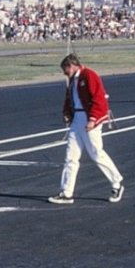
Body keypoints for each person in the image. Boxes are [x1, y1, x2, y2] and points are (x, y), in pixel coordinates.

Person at [49, 53, 124, 205]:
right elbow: (69, 99)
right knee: (71, 156)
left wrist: (93, 119)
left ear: (72, 65)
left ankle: (116, 183)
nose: (64, 73)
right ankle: (66, 192)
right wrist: (66, 113)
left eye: (65, 69)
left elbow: (99, 98)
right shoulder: (72, 80)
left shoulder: (89, 75)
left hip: (89, 119)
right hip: (77, 119)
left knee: (96, 153)